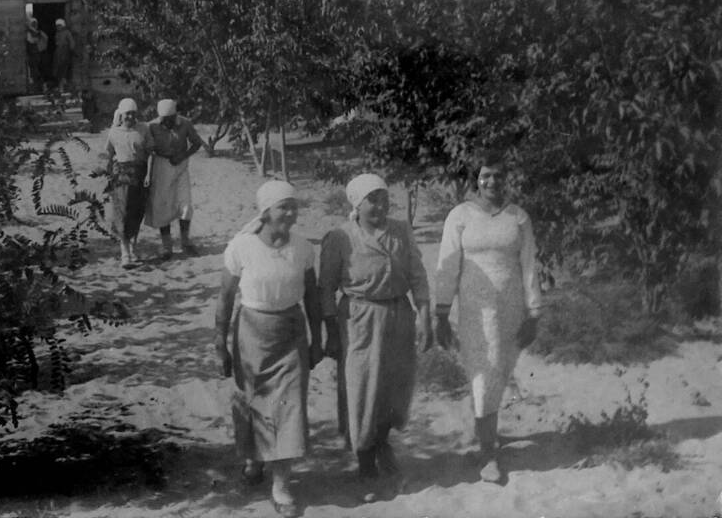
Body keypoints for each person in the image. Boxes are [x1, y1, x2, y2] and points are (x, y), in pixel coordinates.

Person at [214, 180, 323, 517]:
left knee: (289, 406)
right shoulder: (241, 248)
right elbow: (225, 298)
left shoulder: (303, 247)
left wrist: (316, 339)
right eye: (283, 207)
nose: (290, 213)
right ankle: (253, 457)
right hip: (251, 333)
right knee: (253, 401)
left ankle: (281, 485)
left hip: (291, 334)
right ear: (265, 211)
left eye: (293, 206)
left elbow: (312, 297)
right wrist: (220, 343)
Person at [319, 173, 431, 496]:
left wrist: (424, 315)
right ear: (357, 203)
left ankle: (382, 443)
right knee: (363, 388)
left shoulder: (400, 231)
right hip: (359, 318)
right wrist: (331, 332)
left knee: (395, 386)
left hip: (399, 315)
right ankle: (365, 460)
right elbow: (326, 288)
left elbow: (417, 275)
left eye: (384, 198)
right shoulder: (340, 237)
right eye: (373, 200)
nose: (381, 205)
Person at [434, 151, 542, 483]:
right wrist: (441, 313)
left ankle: (486, 434)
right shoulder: (460, 215)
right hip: (475, 310)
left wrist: (534, 312)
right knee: (483, 373)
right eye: (485, 176)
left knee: (498, 372)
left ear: (506, 179)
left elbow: (528, 265)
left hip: (510, 308)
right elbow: (447, 265)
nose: (492, 181)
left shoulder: (518, 217)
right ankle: (488, 454)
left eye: (498, 175)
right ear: (475, 180)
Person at [145, 99, 204, 259]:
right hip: (161, 166)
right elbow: (147, 148)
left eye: (170, 120)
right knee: (163, 204)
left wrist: (182, 156)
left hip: (181, 166)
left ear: (175, 115)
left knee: (185, 204)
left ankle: (185, 242)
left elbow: (197, 143)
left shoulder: (185, 123)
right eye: (163, 120)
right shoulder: (152, 126)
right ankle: (166, 246)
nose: (167, 123)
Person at [104, 98, 153, 266]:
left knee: (137, 212)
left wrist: (149, 175)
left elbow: (150, 153)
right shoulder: (113, 132)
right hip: (121, 176)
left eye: (133, 113)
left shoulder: (143, 129)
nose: (130, 117)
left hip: (140, 174)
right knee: (122, 212)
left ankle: (133, 248)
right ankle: (125, 252)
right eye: (127, 114)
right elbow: (109, 155)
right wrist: (108, 175)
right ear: (121, 114)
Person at [51, 18, 76, 93]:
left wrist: (71, 50)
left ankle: (62, 87)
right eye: (57, 26)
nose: (58, 27)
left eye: (59, 25)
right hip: (58, 53)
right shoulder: (57, 33)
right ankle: (60, 86)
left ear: (63, 26)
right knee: (58, 70)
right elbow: (57, 43)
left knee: (63, 69)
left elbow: (72, 42)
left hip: (65, 53)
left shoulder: (67, 32)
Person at [24, 17, 48, 92]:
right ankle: (38, 87)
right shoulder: (29, 34)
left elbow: (42, 37)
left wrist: (29, 28)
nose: (34, 25)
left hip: (38, 54)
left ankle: (42, 86)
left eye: (35, 23)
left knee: (37, 71)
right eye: (33, 23)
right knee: (33, 72)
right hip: (33, 55)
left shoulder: (38, 33)